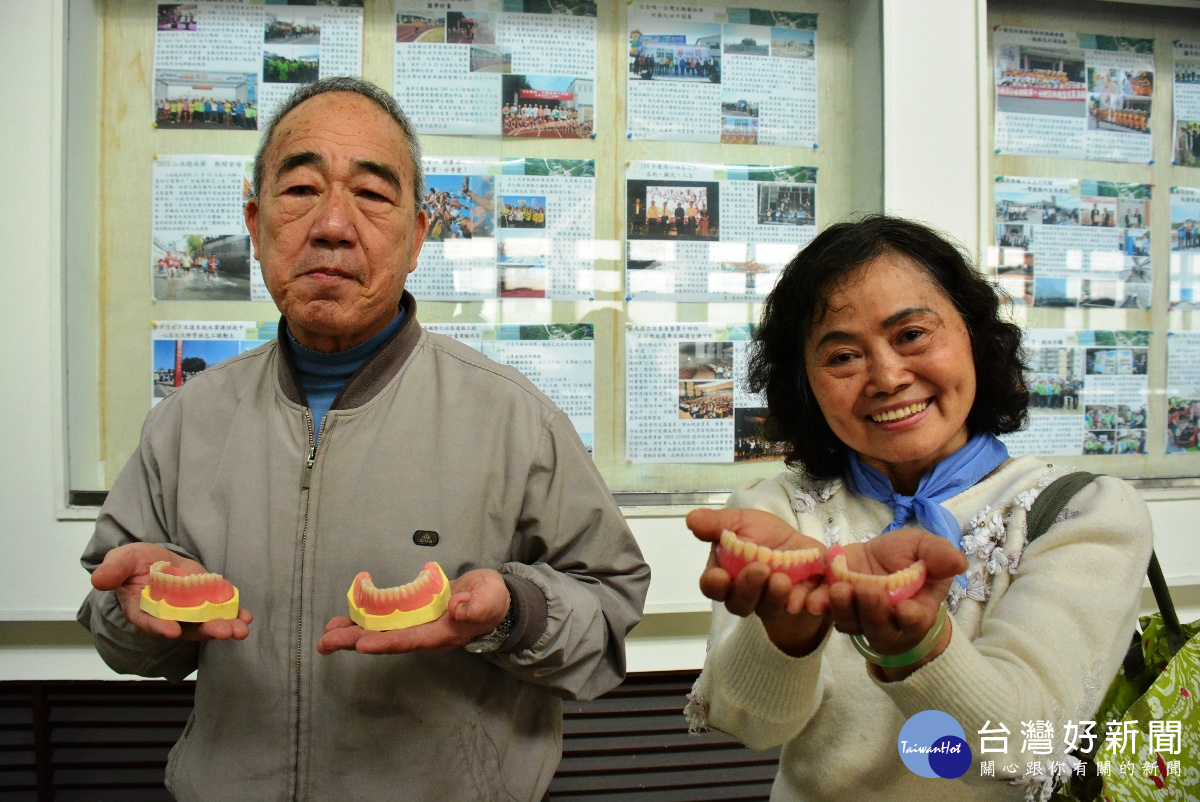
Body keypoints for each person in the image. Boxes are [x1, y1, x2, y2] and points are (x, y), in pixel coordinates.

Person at [77, 77, 650, 802]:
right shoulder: (186, 421)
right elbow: (118, 631)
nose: (333, 225)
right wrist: (140, 614)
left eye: (373, 196)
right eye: (300, 190)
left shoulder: (515, 421)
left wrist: (515, 611)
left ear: (416, 238)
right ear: (255, 226)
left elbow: (607, 617)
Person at [683, 215, 1152, 801]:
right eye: (844, 357)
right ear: (804, 383)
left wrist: (919, 644)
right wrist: (788, 630)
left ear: (975, 337)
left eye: (911, 335)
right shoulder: (777, 514)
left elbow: (1033, 746)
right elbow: (750, 725)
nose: (886, 377)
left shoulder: (1081, 514)